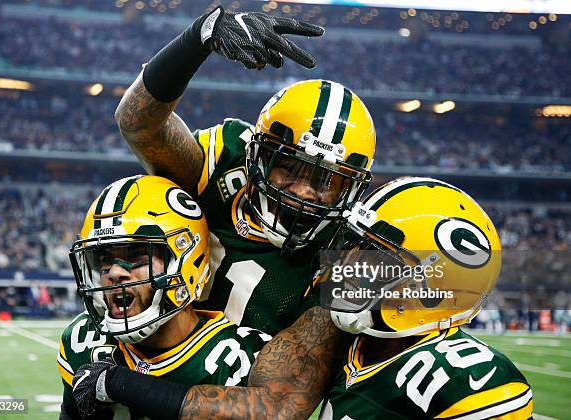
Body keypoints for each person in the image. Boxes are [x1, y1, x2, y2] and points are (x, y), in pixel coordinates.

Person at [74, 177, 533, 420]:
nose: (344, 264)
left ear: (432, 285)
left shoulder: (466, 375)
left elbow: (269, 411)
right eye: (350, 244)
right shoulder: (351, 343)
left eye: (370, 255)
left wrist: (119, 385)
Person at [114, 6, 377, 334]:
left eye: (327, 180)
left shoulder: (347, 252)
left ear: (351, 192)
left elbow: (450, 284)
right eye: (289, 166)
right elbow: (138, 124)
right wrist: (199, 35)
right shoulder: (228, 162)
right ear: (256, 155)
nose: (303, 191)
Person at [58, 175, 270, 419]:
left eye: (137, 255)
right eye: (105, 259)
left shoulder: (237, 357)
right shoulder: (83, 340)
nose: (114, 272)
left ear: (186, 261)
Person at [320, 177, 533, 419]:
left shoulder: (468, 381)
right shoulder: (357, 343)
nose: (349, 261)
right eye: (355, 245)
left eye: (374, 257)